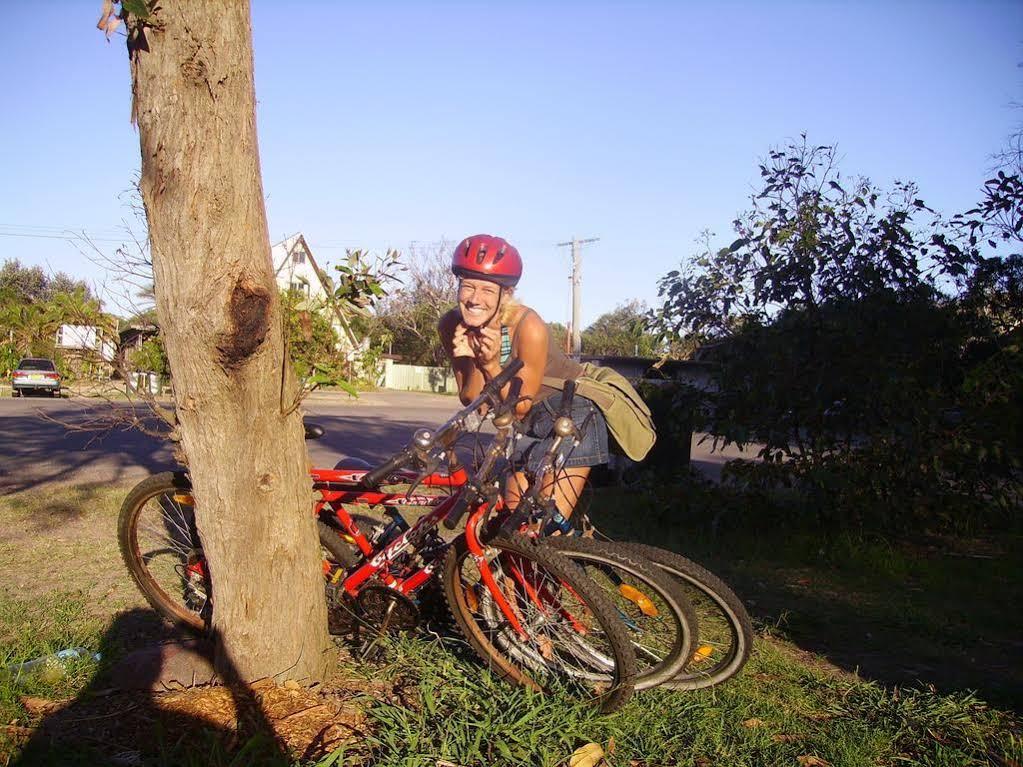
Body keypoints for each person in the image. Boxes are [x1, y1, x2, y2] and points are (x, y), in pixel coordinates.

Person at [438, 234, 609, 523]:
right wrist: (473, 360)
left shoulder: (528, 326)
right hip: (523, 421)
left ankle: (568, 552)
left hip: (569, 411)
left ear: (506, 294)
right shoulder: (451, 324)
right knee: (511, 524)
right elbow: (473, 400)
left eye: (487, 290)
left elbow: (520, 405)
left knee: (543, 527)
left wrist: (490, 362)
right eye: (467, 286)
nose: (474, 298)